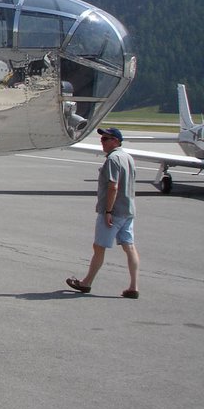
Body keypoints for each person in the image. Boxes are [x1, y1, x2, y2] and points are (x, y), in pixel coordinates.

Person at [66, 127, 140, 298]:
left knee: (99, 247)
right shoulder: (128, 157)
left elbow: (113, 186)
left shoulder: (113, 159)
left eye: (105, 139)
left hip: (113, 211)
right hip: (128, 210)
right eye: (102, 139)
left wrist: (108, 211)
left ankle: (86, 283)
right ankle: (134, 286)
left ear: (115, 141)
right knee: (129, 246)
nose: (102, 142)